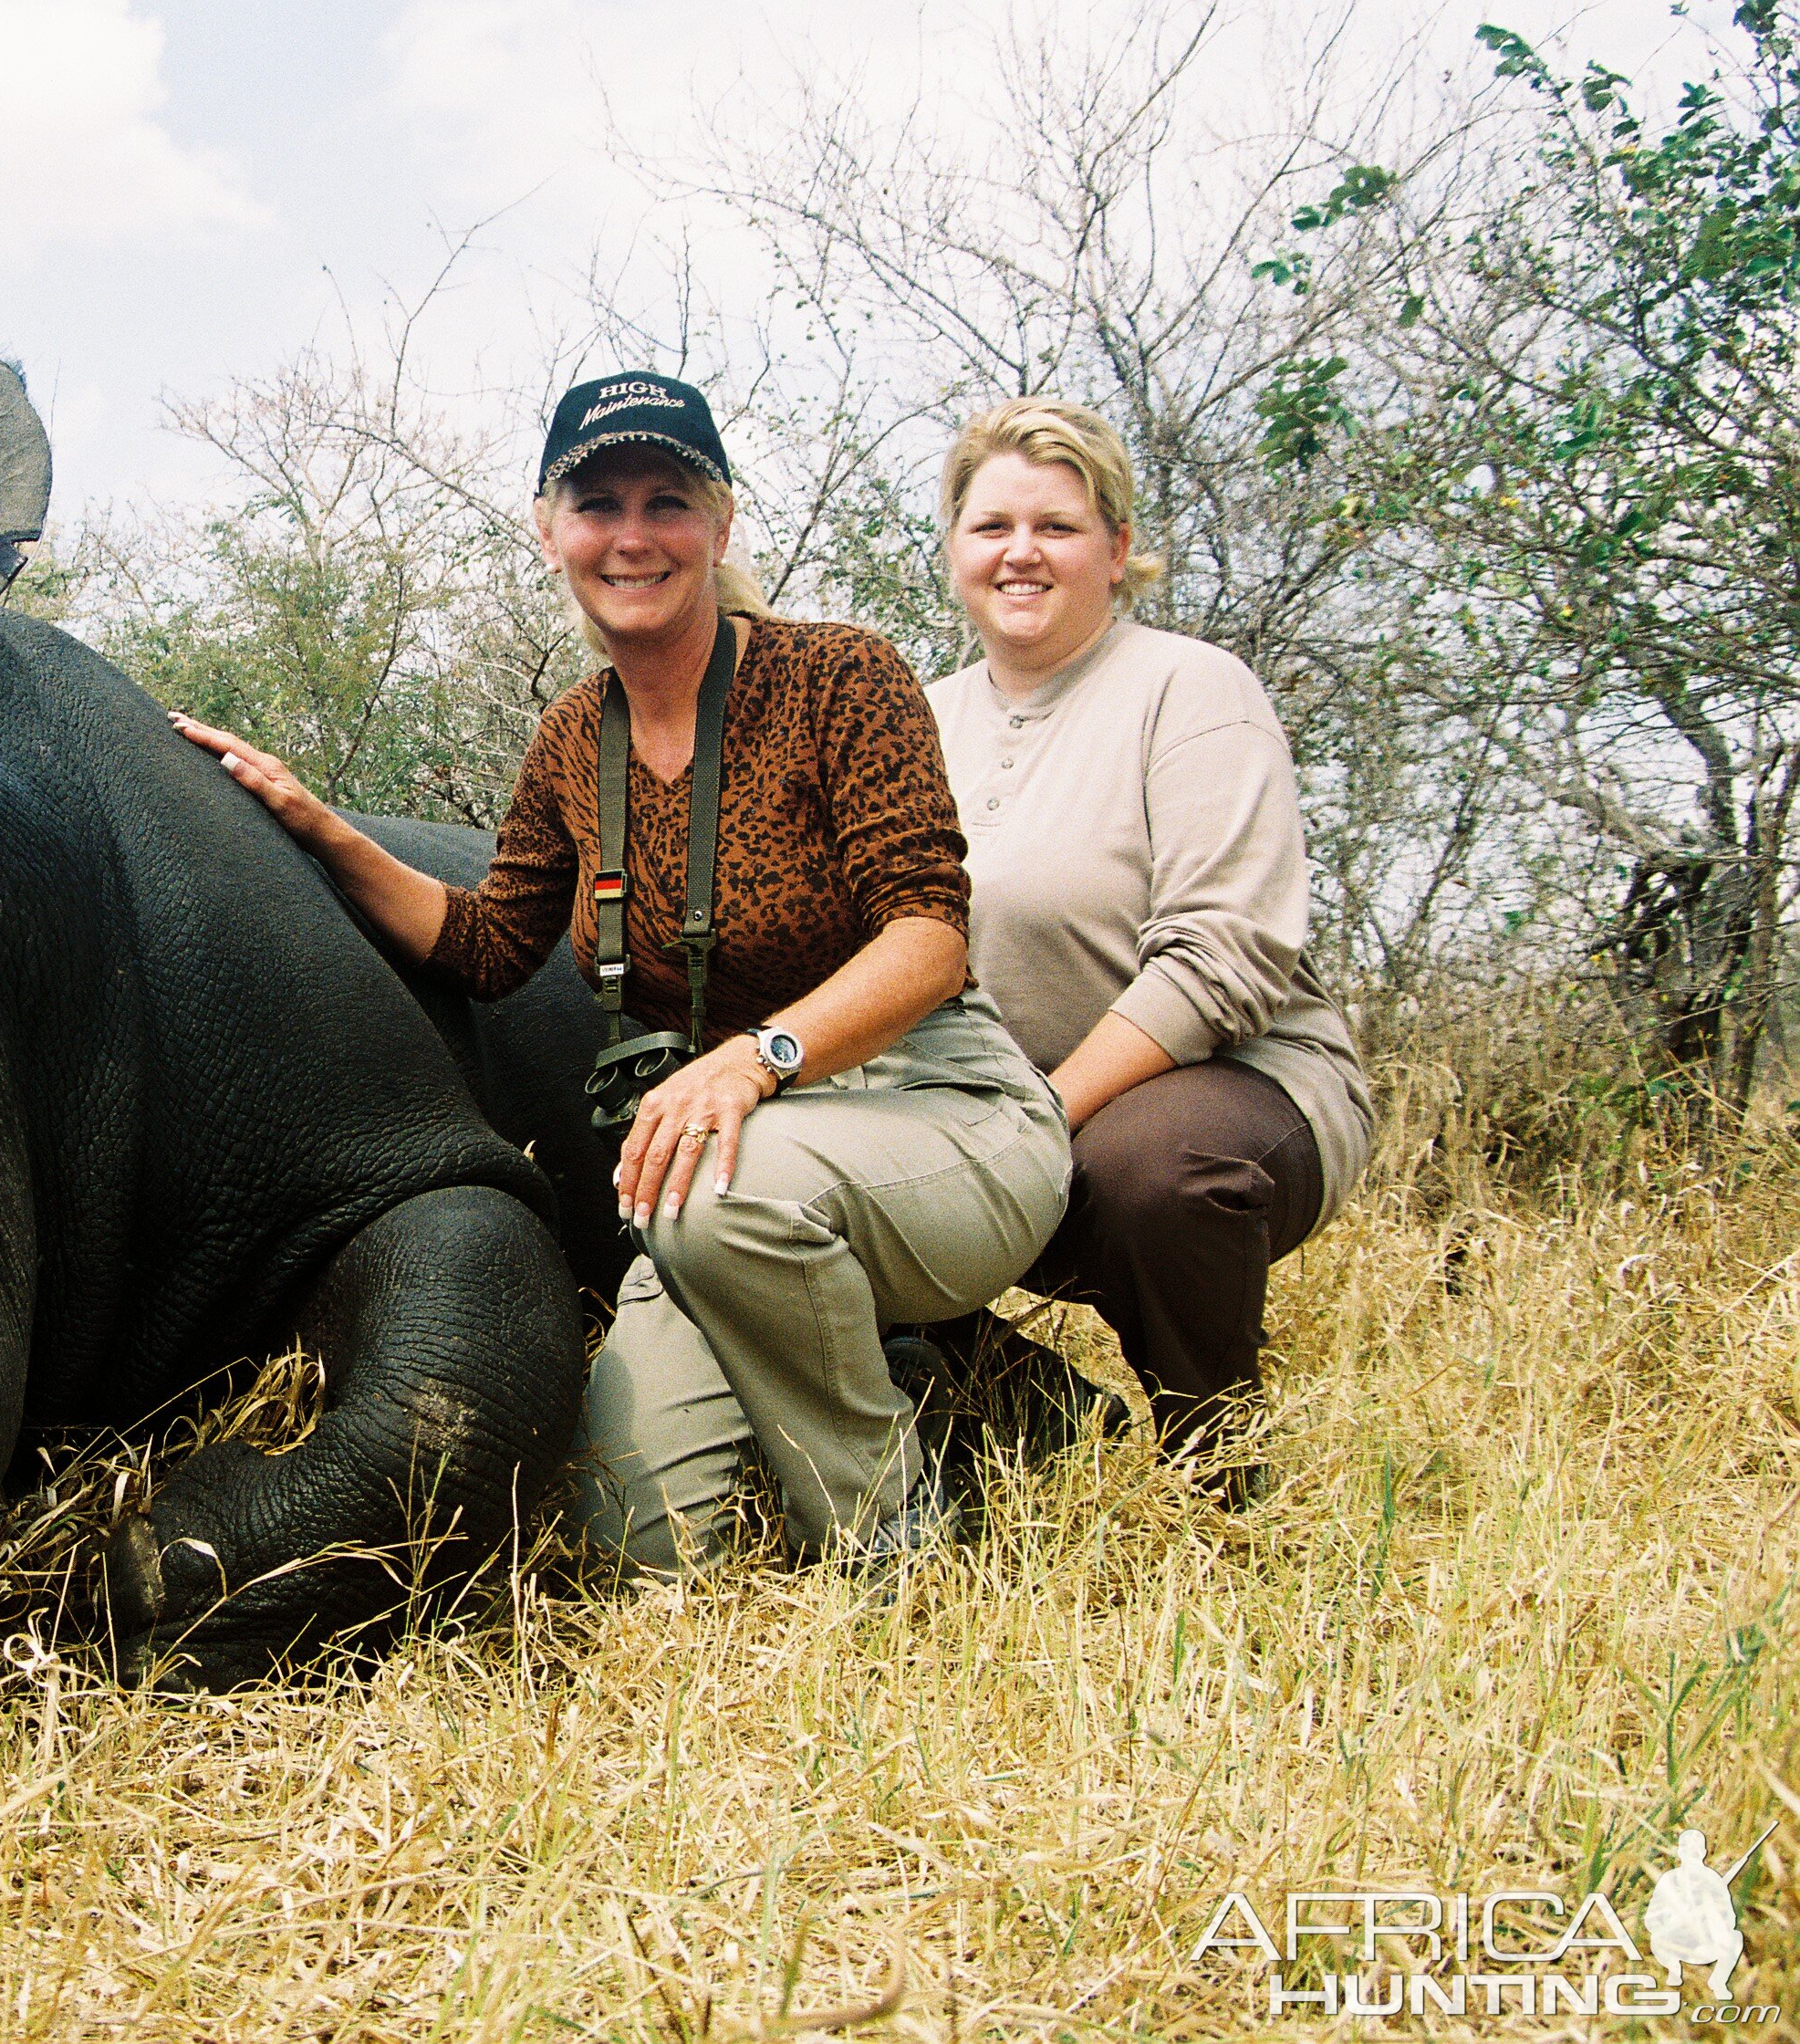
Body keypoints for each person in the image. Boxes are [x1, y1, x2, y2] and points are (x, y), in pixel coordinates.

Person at [176, 372, 1069, 1574]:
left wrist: (757, 1062)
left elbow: (931, 934)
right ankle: (924, 1376)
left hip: (937, 1113)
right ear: (551, 531)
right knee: (630, 1537)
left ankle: (893, 1549)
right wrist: (317, 825)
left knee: (719, 1194)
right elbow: (490, 948)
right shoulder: (569, 741)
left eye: (668, 501)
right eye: (599, 503)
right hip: (732, 1174)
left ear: (721, 523)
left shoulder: (840, 678)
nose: (633, 535)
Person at [918, 399, 1374, 1497]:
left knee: (1152, 1173)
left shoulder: (1193, 687)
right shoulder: (915, 717)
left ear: (1118, 551)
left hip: (1235, 1082)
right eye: (991, 527)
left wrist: (1038, 1117)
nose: (1021, 552)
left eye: (1059, 526)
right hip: (999, 1100)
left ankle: (1218, 1471)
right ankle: (1030, 1411)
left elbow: (1225, 957)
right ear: (954, 551)